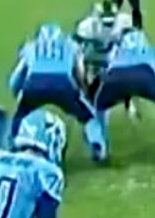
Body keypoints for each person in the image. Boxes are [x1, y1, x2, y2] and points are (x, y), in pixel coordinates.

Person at [86, 30, 155, 160]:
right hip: (145, 76)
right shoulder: (152, 49)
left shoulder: (115, 50)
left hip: (114, 77)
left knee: (94, 108)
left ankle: (99, 147)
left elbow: (99, 70)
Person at [9, 24, 101, 156]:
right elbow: (79, 72)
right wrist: (83, 90)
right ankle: (97, 145)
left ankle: (14, 145)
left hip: (34, 83)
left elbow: (18, 74)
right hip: (62, 83)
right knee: (88, 117)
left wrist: (17, 91)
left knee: (19, 117)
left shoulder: (30, 47)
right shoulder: (71, 46)